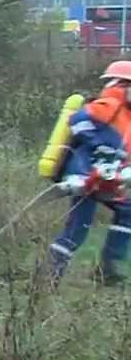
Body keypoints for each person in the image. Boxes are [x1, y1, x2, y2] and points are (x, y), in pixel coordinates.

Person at [48, 60, 131, 286]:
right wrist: (98, 144)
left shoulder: (127, 116)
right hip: (85, 177)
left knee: (127, 211)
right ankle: (50, 275)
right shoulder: (111, 103)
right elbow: (78, 121)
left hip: (104, 179)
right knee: (78, 228)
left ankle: (109, 269)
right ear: (122, 85)